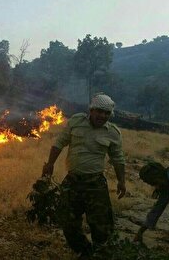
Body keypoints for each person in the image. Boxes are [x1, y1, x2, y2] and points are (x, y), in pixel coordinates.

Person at [42, 93, 126, 259]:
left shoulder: (113, 132)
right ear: (91, 110)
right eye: (99, 111)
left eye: (106, 113)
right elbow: (59, 144)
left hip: (95, 185)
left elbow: (118, 159)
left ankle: (101, 255)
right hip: (72, 182)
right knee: (67, 223)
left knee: (102, 227)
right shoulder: (76, 122)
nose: (102, 116)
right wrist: (50, 164)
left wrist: (121, 181)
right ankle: (85, 251)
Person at [134, 159, 169, 242]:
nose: (156, 187)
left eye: (155, 183)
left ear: (159, 177)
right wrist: (140, 232)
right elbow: (158, 208)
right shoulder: (166, 186)